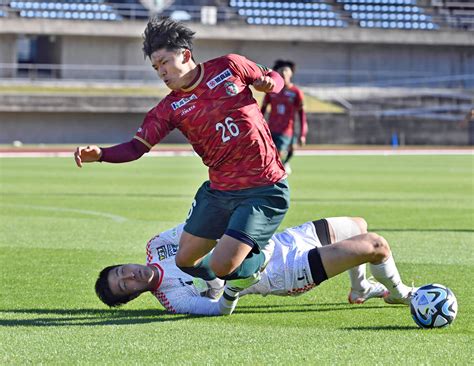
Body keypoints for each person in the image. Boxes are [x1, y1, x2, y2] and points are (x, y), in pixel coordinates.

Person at [74, 18, 290, 288]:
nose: (161, 72)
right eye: (155, 67)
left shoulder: (229, 65)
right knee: (185, 261)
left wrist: (269, 83)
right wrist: (102, 154)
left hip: (263, 187)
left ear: (185, 55)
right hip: (219, 191)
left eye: (164, 62)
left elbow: (276, 77)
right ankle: (222, 279)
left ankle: (259, 261)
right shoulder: (168, 109)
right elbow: (135, 147)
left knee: (223, 266)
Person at [95, 216, 416, 316]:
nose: (130, 275)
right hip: (284, 272)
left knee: (358, 225)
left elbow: (196, 227)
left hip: (280, 241)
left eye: (121, 270)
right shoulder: (173, 300)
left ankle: (359, 290)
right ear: (135, 295)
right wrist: (229, 289)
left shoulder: (156, 246)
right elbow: (219, 309)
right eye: (126, 285)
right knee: (374, 246)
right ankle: (400, 292)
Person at [260, 59, 307, 174]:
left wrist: (302, 134)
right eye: (281, 71)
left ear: (291, 73)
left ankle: (278, 173)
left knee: (281, 152)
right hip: (271, 128)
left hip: (286, 130)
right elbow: (263, 109)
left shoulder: (296, 92)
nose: (284, 73)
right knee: (268, 154)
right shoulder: (271, 90)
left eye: (286, 70)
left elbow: (302, 114)